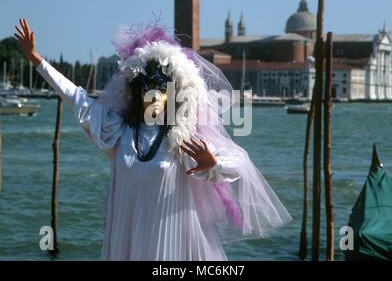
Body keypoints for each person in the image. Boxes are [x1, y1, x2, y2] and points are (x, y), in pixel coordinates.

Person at [14, 18, 292, 261]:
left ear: (172, 94)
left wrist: (213, 163)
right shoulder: (117, 132)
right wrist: (38, 61)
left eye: (161, 90)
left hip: (171, 241)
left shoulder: (181, 140)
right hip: (126, 236)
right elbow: (77, 97)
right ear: (135, 94)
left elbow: (239, 161)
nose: (154, 97)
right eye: (146, 90)